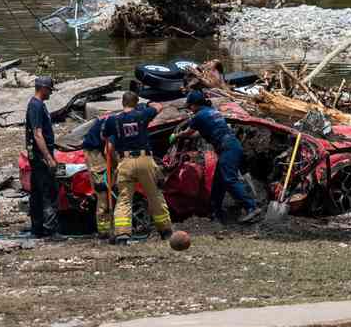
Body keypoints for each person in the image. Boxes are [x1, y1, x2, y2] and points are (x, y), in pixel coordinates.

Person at [175, 90, 259, 223]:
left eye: (190, 106)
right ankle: (215, 211)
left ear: (195, 105)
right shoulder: (212, 111)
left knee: (229, 179)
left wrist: (176, 135)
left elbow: (188, 132)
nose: (190, 109)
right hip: (232, 145)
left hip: (227, 148)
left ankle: (251, 207)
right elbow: (199, 133)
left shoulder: (198, 116)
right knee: (218, 182)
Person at [103, 91, 173, 245]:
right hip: (144, 159)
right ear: (135, 103)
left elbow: (106, 138)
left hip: (125, 161)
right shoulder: (142, 115)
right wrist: (146, 103)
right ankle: (165, 231)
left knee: (124, 199)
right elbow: (159, 106)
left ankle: (122, 235)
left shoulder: (112, 120)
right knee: (154, 195)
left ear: (122, 103)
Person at [26, 76, 59, 238]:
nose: (50, 94)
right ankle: (50, 229)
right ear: (43, 88)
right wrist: (49, 158)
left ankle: (37, 228)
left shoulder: (38, 105)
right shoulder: (36, 106)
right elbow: (38, 134)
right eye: (50, 90)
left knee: (37, 192)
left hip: (38, 157)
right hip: (41, 157)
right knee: (49, 192)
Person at [80, 115, 113, 239]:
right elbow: (108, 150)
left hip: (96, 150)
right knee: (102, 191)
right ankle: (104, 231)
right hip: (95, 154)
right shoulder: (117, 123)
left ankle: (108, 228)